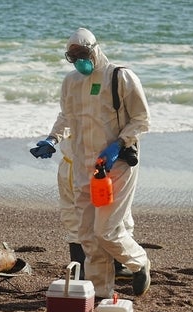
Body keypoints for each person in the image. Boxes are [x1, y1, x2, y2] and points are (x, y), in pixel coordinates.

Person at [32, 28, 151, 297]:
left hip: (116, 164)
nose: (79, 62)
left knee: (106, 230)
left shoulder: (120, 77)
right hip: (85, 167)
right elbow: (66, 117)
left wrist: (117, 144)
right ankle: (100, 293)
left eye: (82, 55)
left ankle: (139, 261)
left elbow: (142, 120)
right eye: (72, 58)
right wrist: (52, 139)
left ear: (95, 49)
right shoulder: (71, 82)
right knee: (87, 234)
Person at [56, 135, 133, 281]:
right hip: (82, 166)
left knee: (117, 215)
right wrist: (52, 138)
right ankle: (84, 269)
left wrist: (52, 138)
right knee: (78, 217)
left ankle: (111, 266)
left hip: (98, 165)